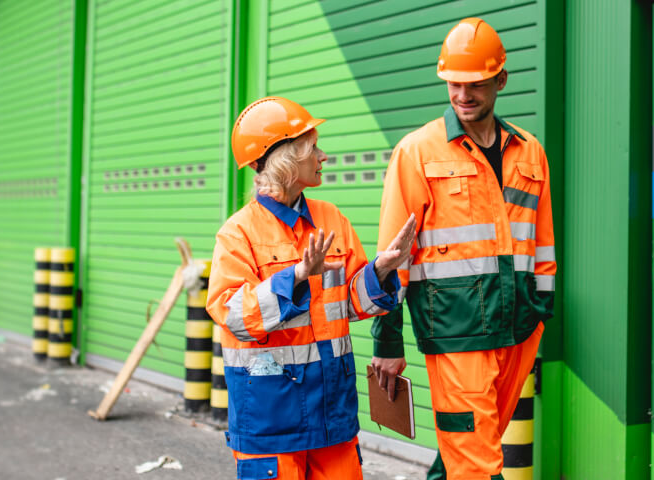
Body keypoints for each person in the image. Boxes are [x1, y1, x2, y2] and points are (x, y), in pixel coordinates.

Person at [369, 18, 557, 480]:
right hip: (454, 331)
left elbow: (543, 239)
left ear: (500, 80)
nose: (463, 95)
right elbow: (391, 259)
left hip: (518, 328)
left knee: (474, 445)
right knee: (478, 464)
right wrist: (388, 340)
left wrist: (541, 308)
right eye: (454, 83)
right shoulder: (417, 152)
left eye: (474, 85)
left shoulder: (529, 152)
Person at [207, 96, 417, 479]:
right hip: (272, 424)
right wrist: (296, 278)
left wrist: (381, 271)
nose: (323, 156)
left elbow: (352, 302)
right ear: (288, 158)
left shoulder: (331, 218)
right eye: (313, 147)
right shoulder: (238, 233)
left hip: (331, 418)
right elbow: (234, 317)